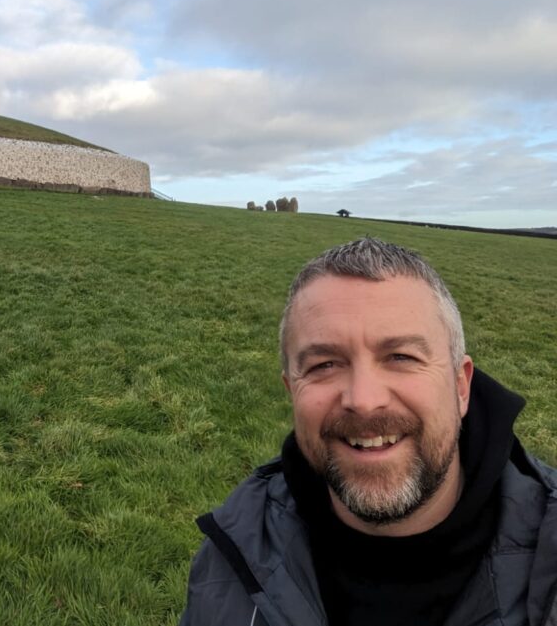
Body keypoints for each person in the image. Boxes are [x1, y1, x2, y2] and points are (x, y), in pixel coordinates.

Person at [180, 237, 557, 626]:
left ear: (461, 387)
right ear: (292, 390)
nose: (363, 400)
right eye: (324, 365)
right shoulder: (229, 562)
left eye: (400, 357)